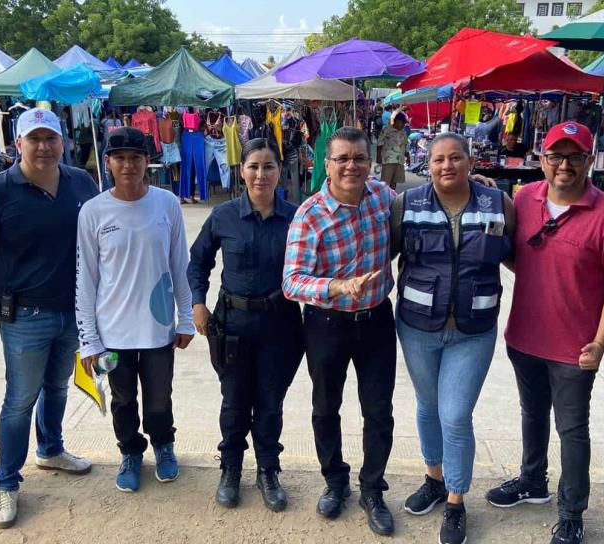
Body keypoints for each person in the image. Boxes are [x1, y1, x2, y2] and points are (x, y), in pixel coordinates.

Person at [485, 121, 604, 544]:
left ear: (590, 160)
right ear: (543, 159)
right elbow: (519, 257)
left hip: (576, 347)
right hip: (524, 336)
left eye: (574, 157)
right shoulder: (526, 197)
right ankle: (533, 481)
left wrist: (602, 341)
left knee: (572, 429)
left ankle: (571, 511)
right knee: (532, 415)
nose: (563, 165)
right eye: (555, 156)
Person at [0, 108, 99, 529]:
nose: (43, 147)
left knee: (57, 386)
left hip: (74, 310)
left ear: (62, 142)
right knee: (19, 400)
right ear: (17, 144)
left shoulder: (81, 182)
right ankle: (6, 482)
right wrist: (5, 287)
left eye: (50, 138)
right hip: (25, 315)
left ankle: (51, 449)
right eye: (33, 139)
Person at [391, 132, 515, 544]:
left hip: (473, 330)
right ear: (426, 164)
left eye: (455, 158)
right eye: (439, 159)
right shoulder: (406, 205)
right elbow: (382, 253)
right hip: (417, 326)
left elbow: (521, 256)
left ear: (469, 159)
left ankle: (457, 500)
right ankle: (434, 478)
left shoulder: (499, 204)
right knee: (428, 405)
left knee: (456, 414)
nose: (447, 166)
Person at [282, 127, 398, 536]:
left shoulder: (384, 198)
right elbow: (292, 280)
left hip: (377, 321)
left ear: (370, 162)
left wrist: (479, 183)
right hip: (326, 323)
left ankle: (372, 488)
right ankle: (335, 481)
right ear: (326, 165)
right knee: (325, 408)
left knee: (379, 411)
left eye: (359, 158)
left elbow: (431, 200)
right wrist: (334, 286)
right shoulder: (310, 214)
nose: (351, 166)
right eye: (342, 158)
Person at [188, 138, 304, 511]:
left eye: (268, 166)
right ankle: (231, 469)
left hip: (281, 325)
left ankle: (268, 471)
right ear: (242, 171)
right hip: (232, 325)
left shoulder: (297, 217)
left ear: (278, 172)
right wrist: (197, 304)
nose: (260, 174)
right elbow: (198, 262)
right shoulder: (223, 216)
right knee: (235, 401)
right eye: (253, 166)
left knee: (271, 402)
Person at [75, 127, 192, 492]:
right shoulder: (93, 211)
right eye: (120, 157)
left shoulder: (167, 203)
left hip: (158, 326)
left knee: (159, 398)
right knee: (123, 399)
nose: (128, 165)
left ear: (147, 162)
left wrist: (186, 316)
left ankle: (164, 445)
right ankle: (130, 452)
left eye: (136, 157)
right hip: (112, 331)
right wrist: (89, 340)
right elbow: (86, 278)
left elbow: (180, 264)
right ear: (107, 162)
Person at [377, 113, 410, 190]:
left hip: (399, 160)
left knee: (394, 181)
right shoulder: (386, 130)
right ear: (396, 121)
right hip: (388, 160)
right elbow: (379, 144)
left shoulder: (403, 132)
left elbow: (405, 145)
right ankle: (385, 197)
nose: (403, 125)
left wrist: (408, 157)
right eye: (402, 122)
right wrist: (378, 158)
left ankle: (392, 197)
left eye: (404, 123)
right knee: (386, 182)